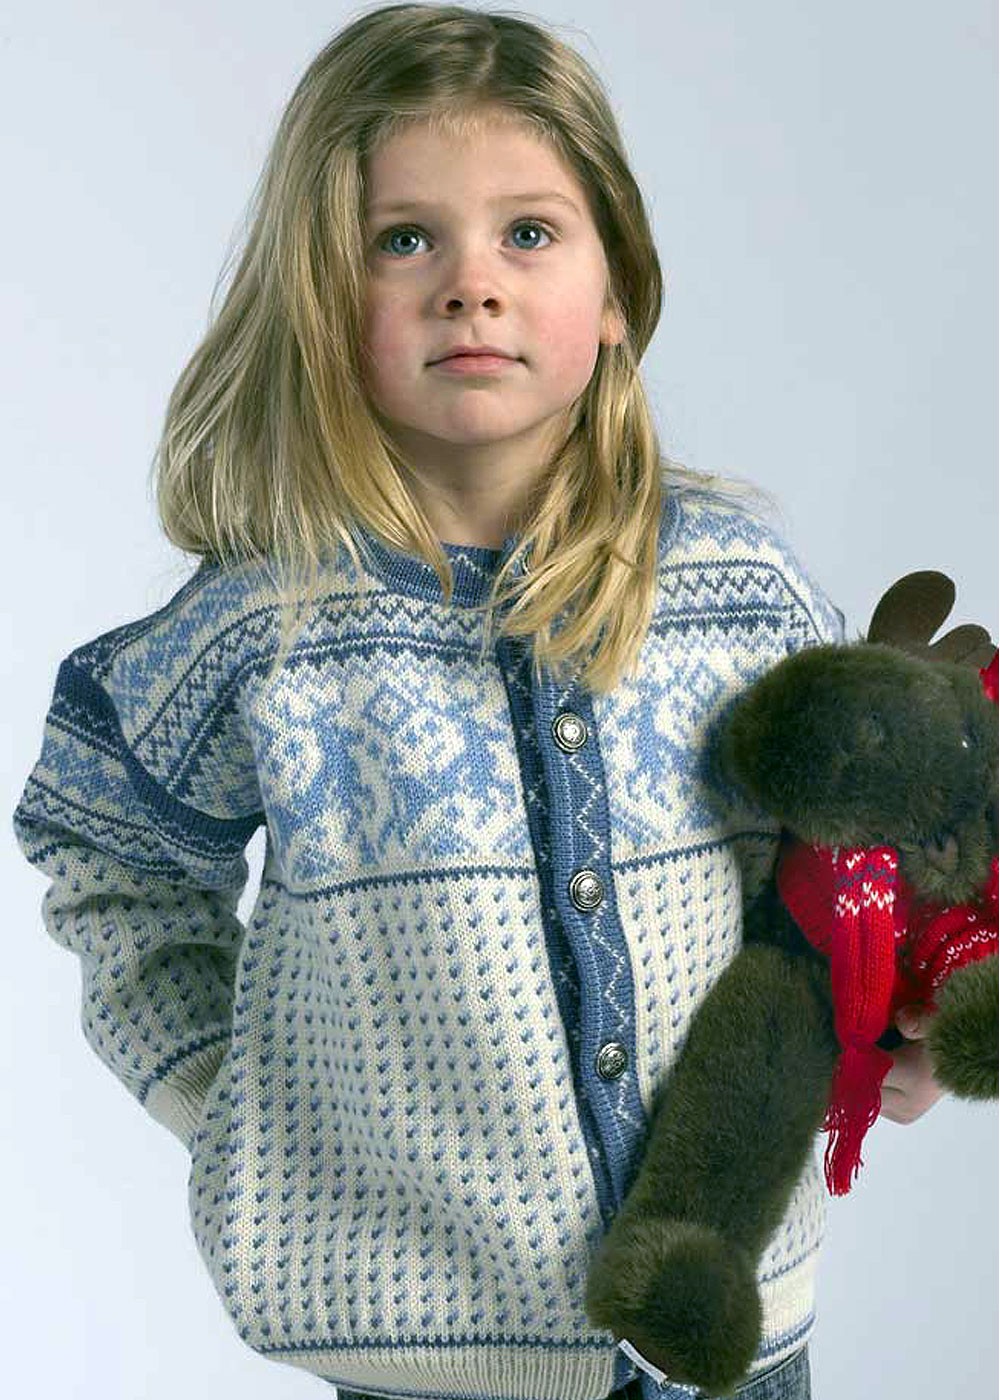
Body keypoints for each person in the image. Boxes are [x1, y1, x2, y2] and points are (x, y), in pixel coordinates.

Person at [10, 5, 944, 1399]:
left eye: (528, 233)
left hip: (737, 1340)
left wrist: (883, 1031)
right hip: (424, 1358)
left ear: (616, 289)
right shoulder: (269, 630)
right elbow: (108, 858)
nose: (471, 286)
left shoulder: (740, 588)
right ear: (321, 295)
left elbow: (846, 872)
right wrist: (235, 1108)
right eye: (405, 239)